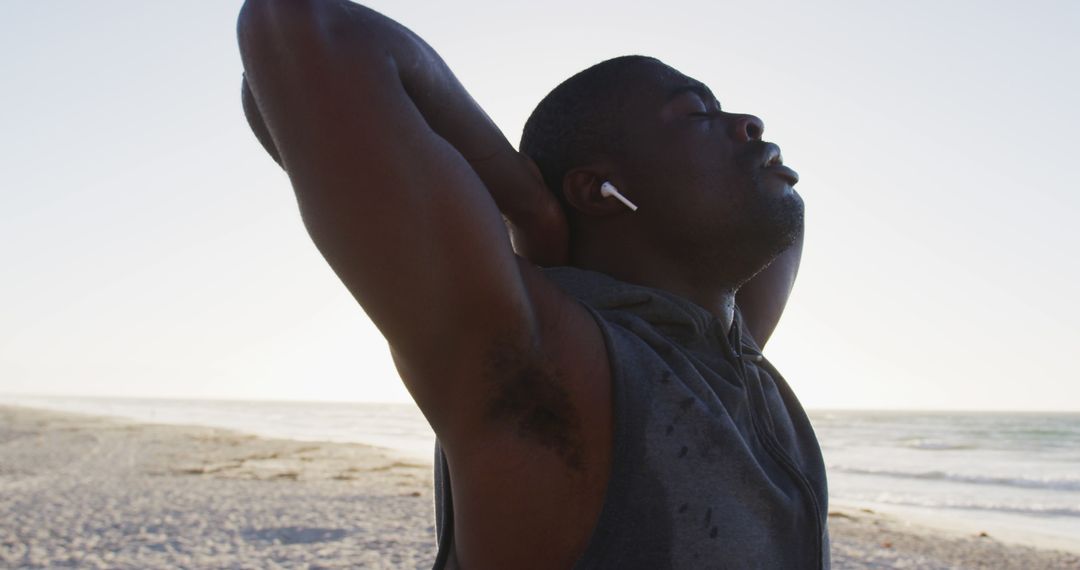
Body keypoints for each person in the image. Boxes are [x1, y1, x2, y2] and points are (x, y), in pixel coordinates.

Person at [236, 1, 829, 568]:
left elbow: (787, 212)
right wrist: (527, 207)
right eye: (696, 114)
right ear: (596, 188)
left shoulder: (729, 348)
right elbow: (301, 28)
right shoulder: (549, 362)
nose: (749, 123)